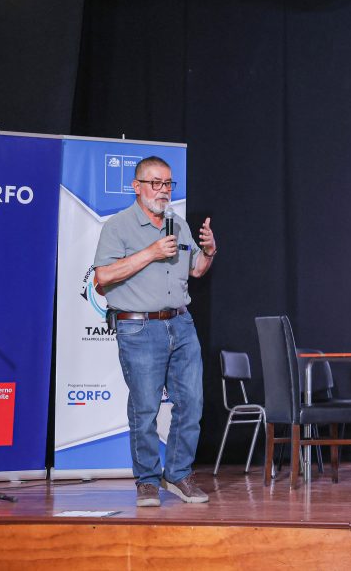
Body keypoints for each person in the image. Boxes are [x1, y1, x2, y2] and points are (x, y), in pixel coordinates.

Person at [93, 155, 216, 507]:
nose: (163, 191)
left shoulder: (178, 224)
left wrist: (209, 251)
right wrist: (149, 253)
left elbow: (196, 270)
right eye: (156, 183)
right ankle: (147, 479)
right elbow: (102, 277)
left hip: (181, 322)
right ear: (137, 186)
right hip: (139, 326)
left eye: (168, 184)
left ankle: (178, 474)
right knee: (145, 407)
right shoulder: (118, 226)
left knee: (191, 402)